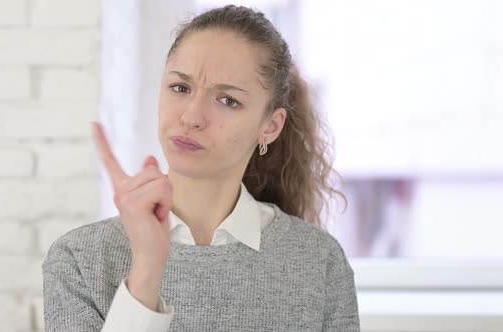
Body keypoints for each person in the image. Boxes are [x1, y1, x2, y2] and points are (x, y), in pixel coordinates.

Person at [42, 5, 360, 332]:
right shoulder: (78, 260)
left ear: (271, 126)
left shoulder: (319, 261)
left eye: (227, 100)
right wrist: (147, 271)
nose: (192, 117)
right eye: (180, 88)